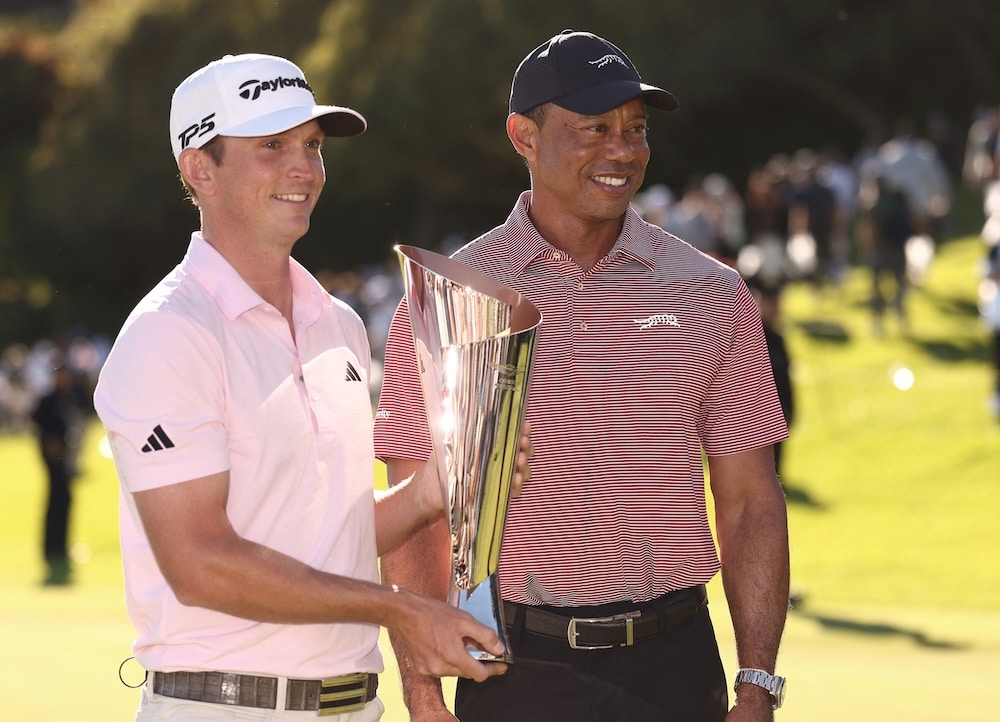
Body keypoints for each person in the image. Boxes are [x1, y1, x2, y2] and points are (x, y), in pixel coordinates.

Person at [93, 53, 525, 722]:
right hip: (223, 707)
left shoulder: (340, 325)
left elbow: (332, 536)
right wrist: (399, 609)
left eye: (313, 145)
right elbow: (199, 561)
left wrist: (434, 489)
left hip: (353, 707)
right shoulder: (169, 333)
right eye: (272, 146)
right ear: (198, 169)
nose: (305, 167)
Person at [376, 30, 790, 722]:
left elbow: (750, 499)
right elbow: (416, 514)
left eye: (635, 129)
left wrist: (757, 686)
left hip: (677, 665)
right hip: (513, 671)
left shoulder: (712, 293)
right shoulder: (447, 299)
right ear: (523, 136)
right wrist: (424, 695)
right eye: (594, 129)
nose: (622, 151)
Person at [31, 362, 87, 585]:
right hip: (54, 465)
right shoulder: (49, 400)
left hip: (68, 464)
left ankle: (62, 551)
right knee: (55, 507)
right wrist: (50, 441)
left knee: (65, 506)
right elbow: (39, 421)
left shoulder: (70, 398)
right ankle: (52, 553)